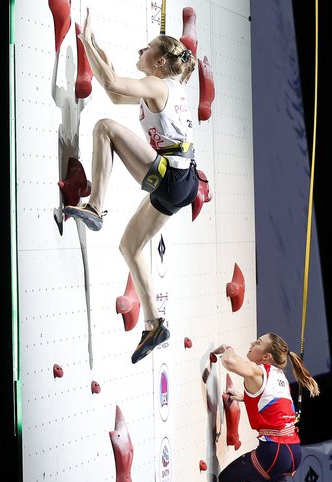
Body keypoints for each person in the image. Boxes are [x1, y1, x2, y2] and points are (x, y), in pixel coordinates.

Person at [65, 8, 201, 364]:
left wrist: (85, 40)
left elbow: (111, 83)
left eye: (147, 48)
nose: (140, 51)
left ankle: (96, 206)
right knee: (130, 246)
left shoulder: (157, 85)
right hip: (181, 181)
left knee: (105, 129)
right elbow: (113, 89)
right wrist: (91, 43)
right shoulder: (164, 88)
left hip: (171, 174)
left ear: (158, 62)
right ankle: (155, 323)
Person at [212, 332, 321, 482]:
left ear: (266, 356)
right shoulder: (280, 378)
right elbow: (272, 405)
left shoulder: (259, 371)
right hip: (293, 453)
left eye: (257, 342)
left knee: (227, 480)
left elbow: (229, 361)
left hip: (275, 452)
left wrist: (228, 348)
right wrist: (244, 397)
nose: (252, 343)